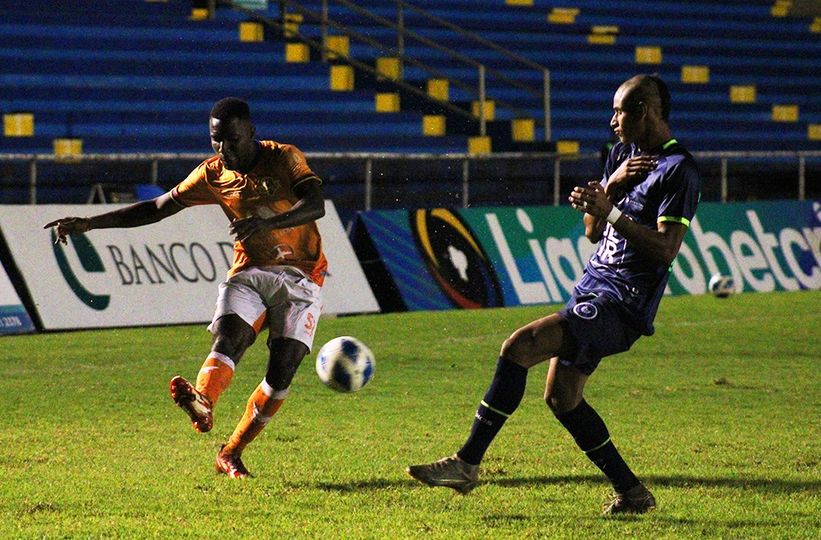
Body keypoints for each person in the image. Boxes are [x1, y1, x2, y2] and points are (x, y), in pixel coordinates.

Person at [406, 74, 700, 515]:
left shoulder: (678, 170)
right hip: (592, 288)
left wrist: (611, 211)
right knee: (563, 398)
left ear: (643, 112)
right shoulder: (621, 155)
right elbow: (592, 230)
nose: (612, 121)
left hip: (623, 304)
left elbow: (665, 249)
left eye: (619, 111)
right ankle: (633, 493)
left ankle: (466, 463)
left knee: (519, 346)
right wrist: (610, 189)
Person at [44, 97, 327, 479]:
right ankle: (203, 401)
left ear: (251, 133)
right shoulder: (212, 174)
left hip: (302, 275)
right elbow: (158, 207)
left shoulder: (283, 158)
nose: (224, 149)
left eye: (232, 140)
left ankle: (230, 452)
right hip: (250, 270)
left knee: (282, 373)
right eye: (216, 140)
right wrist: (91, 223)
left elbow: (316, 204)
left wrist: (268, 224)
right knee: (230, 338)